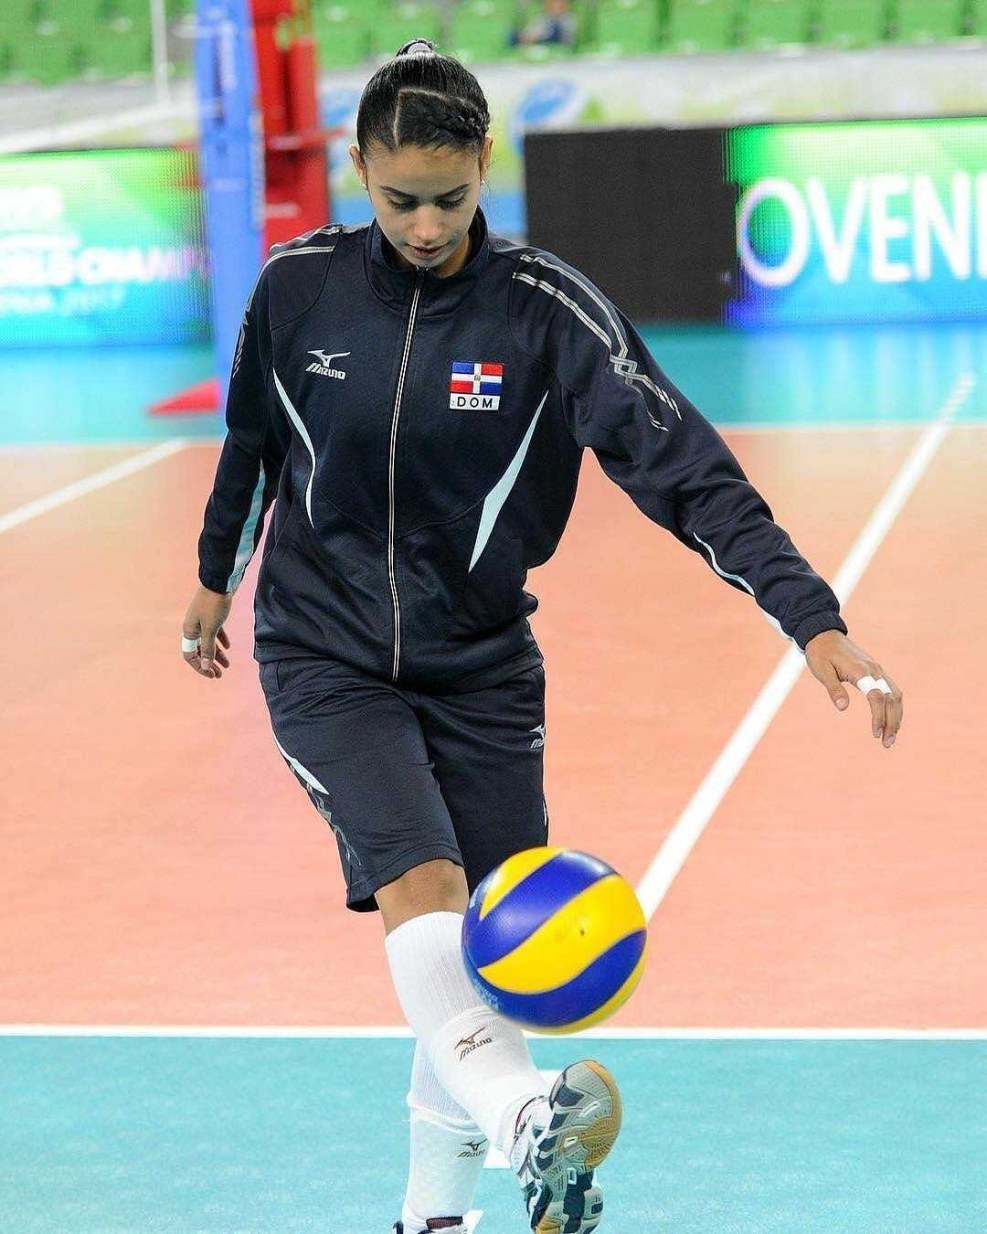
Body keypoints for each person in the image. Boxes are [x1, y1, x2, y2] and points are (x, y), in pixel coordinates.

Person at [181, 38, 903, 1234]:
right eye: (399, 199)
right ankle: (527, 1118)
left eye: (449, 197)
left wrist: (809, 616)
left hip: (481, 666)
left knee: (489, 948)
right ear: (358, 168)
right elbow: (252, 438)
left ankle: (433, 1217)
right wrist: (217, 573)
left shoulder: (545, 311)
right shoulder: (298, 287)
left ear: (485, 163)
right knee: (421, 880)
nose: (424, 225)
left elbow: (687, 468)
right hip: (322, 648)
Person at [510, 0, 578, 49]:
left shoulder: (569, 18)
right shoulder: (541, 18)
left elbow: (566, 36)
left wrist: (539, 35)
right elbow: (530, 30)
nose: (556, 7)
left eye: (559, 5)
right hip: (535, 42)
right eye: (553, 4)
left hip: (554, 43)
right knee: (514, 33)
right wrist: (526, 36)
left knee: (555, 28)